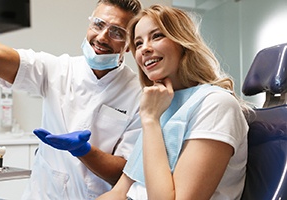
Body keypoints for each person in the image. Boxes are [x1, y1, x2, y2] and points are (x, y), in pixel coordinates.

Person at [0, 0, 143, 199]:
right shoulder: (57, 69)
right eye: (98, 24)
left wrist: (84, 151)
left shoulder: (138, 95)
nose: (102, 37)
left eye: (116, 32)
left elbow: (125, 174)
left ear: (130, 44)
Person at [97, 4, 252, 200]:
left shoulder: (216, 104)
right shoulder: (161, 104)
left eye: (157, 36)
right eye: (138, 43)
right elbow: (120, 192)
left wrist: (150, 120)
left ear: (182, 42)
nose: (144, 49)